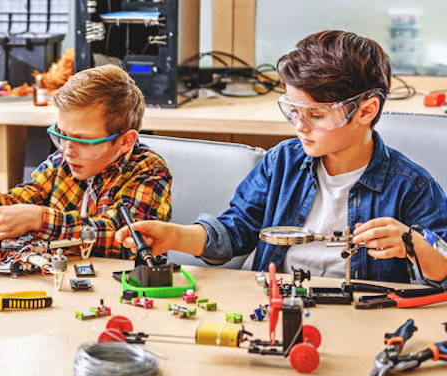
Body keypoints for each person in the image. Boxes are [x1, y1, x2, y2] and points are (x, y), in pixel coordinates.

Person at [116, 30, 447, 286]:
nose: (299, 126)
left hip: (362, 316)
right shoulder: (281, 163)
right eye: (293, 111)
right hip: (278, 301)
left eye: (316, 115)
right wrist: (173, 236)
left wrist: (412, 243)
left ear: (366, 110)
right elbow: (234, 232)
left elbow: (442, 271)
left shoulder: (412, 187)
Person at [0, 65, 172, 258]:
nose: (67, 150)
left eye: (83, 140)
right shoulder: (61, 163)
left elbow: (122, 237)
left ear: (125, 141)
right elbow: (19, 205)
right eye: (63, 135)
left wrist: (39, 219)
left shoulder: (149, 171)